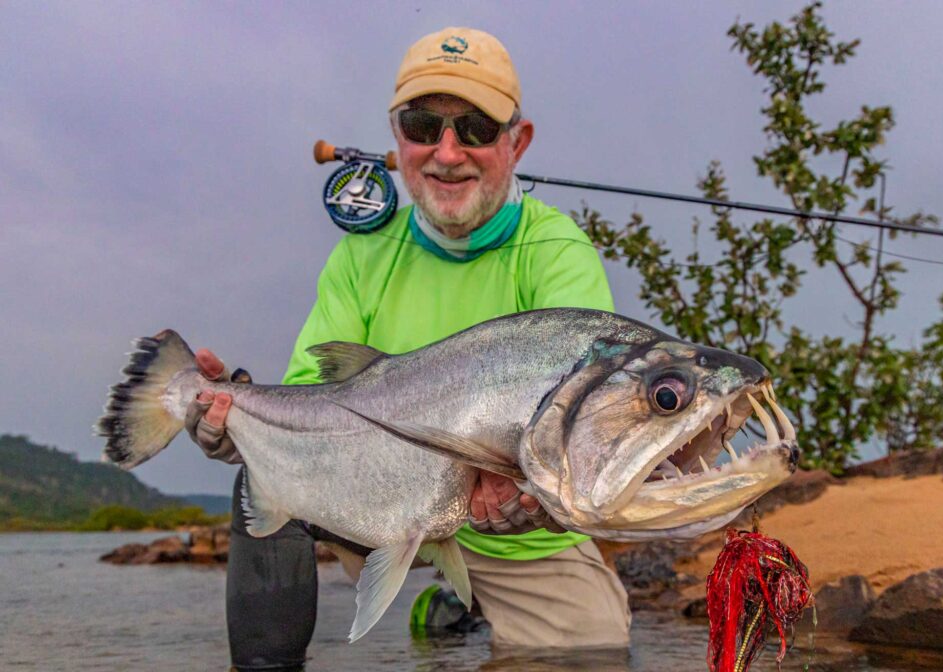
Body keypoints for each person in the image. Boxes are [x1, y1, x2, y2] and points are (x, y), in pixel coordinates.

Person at [186, 27, 631, 671]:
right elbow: (305, 404)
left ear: (518, 141)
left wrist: (531, 492)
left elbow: (588, 426)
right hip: (373, 503)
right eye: (424, 125)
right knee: (266, 471)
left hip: (525, 538)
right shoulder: (362, 254)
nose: (447, 154)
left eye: (476, 128)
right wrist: (240, 416)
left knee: (594, 653)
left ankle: (454, 605)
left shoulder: (560, 252)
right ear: (398, 137)